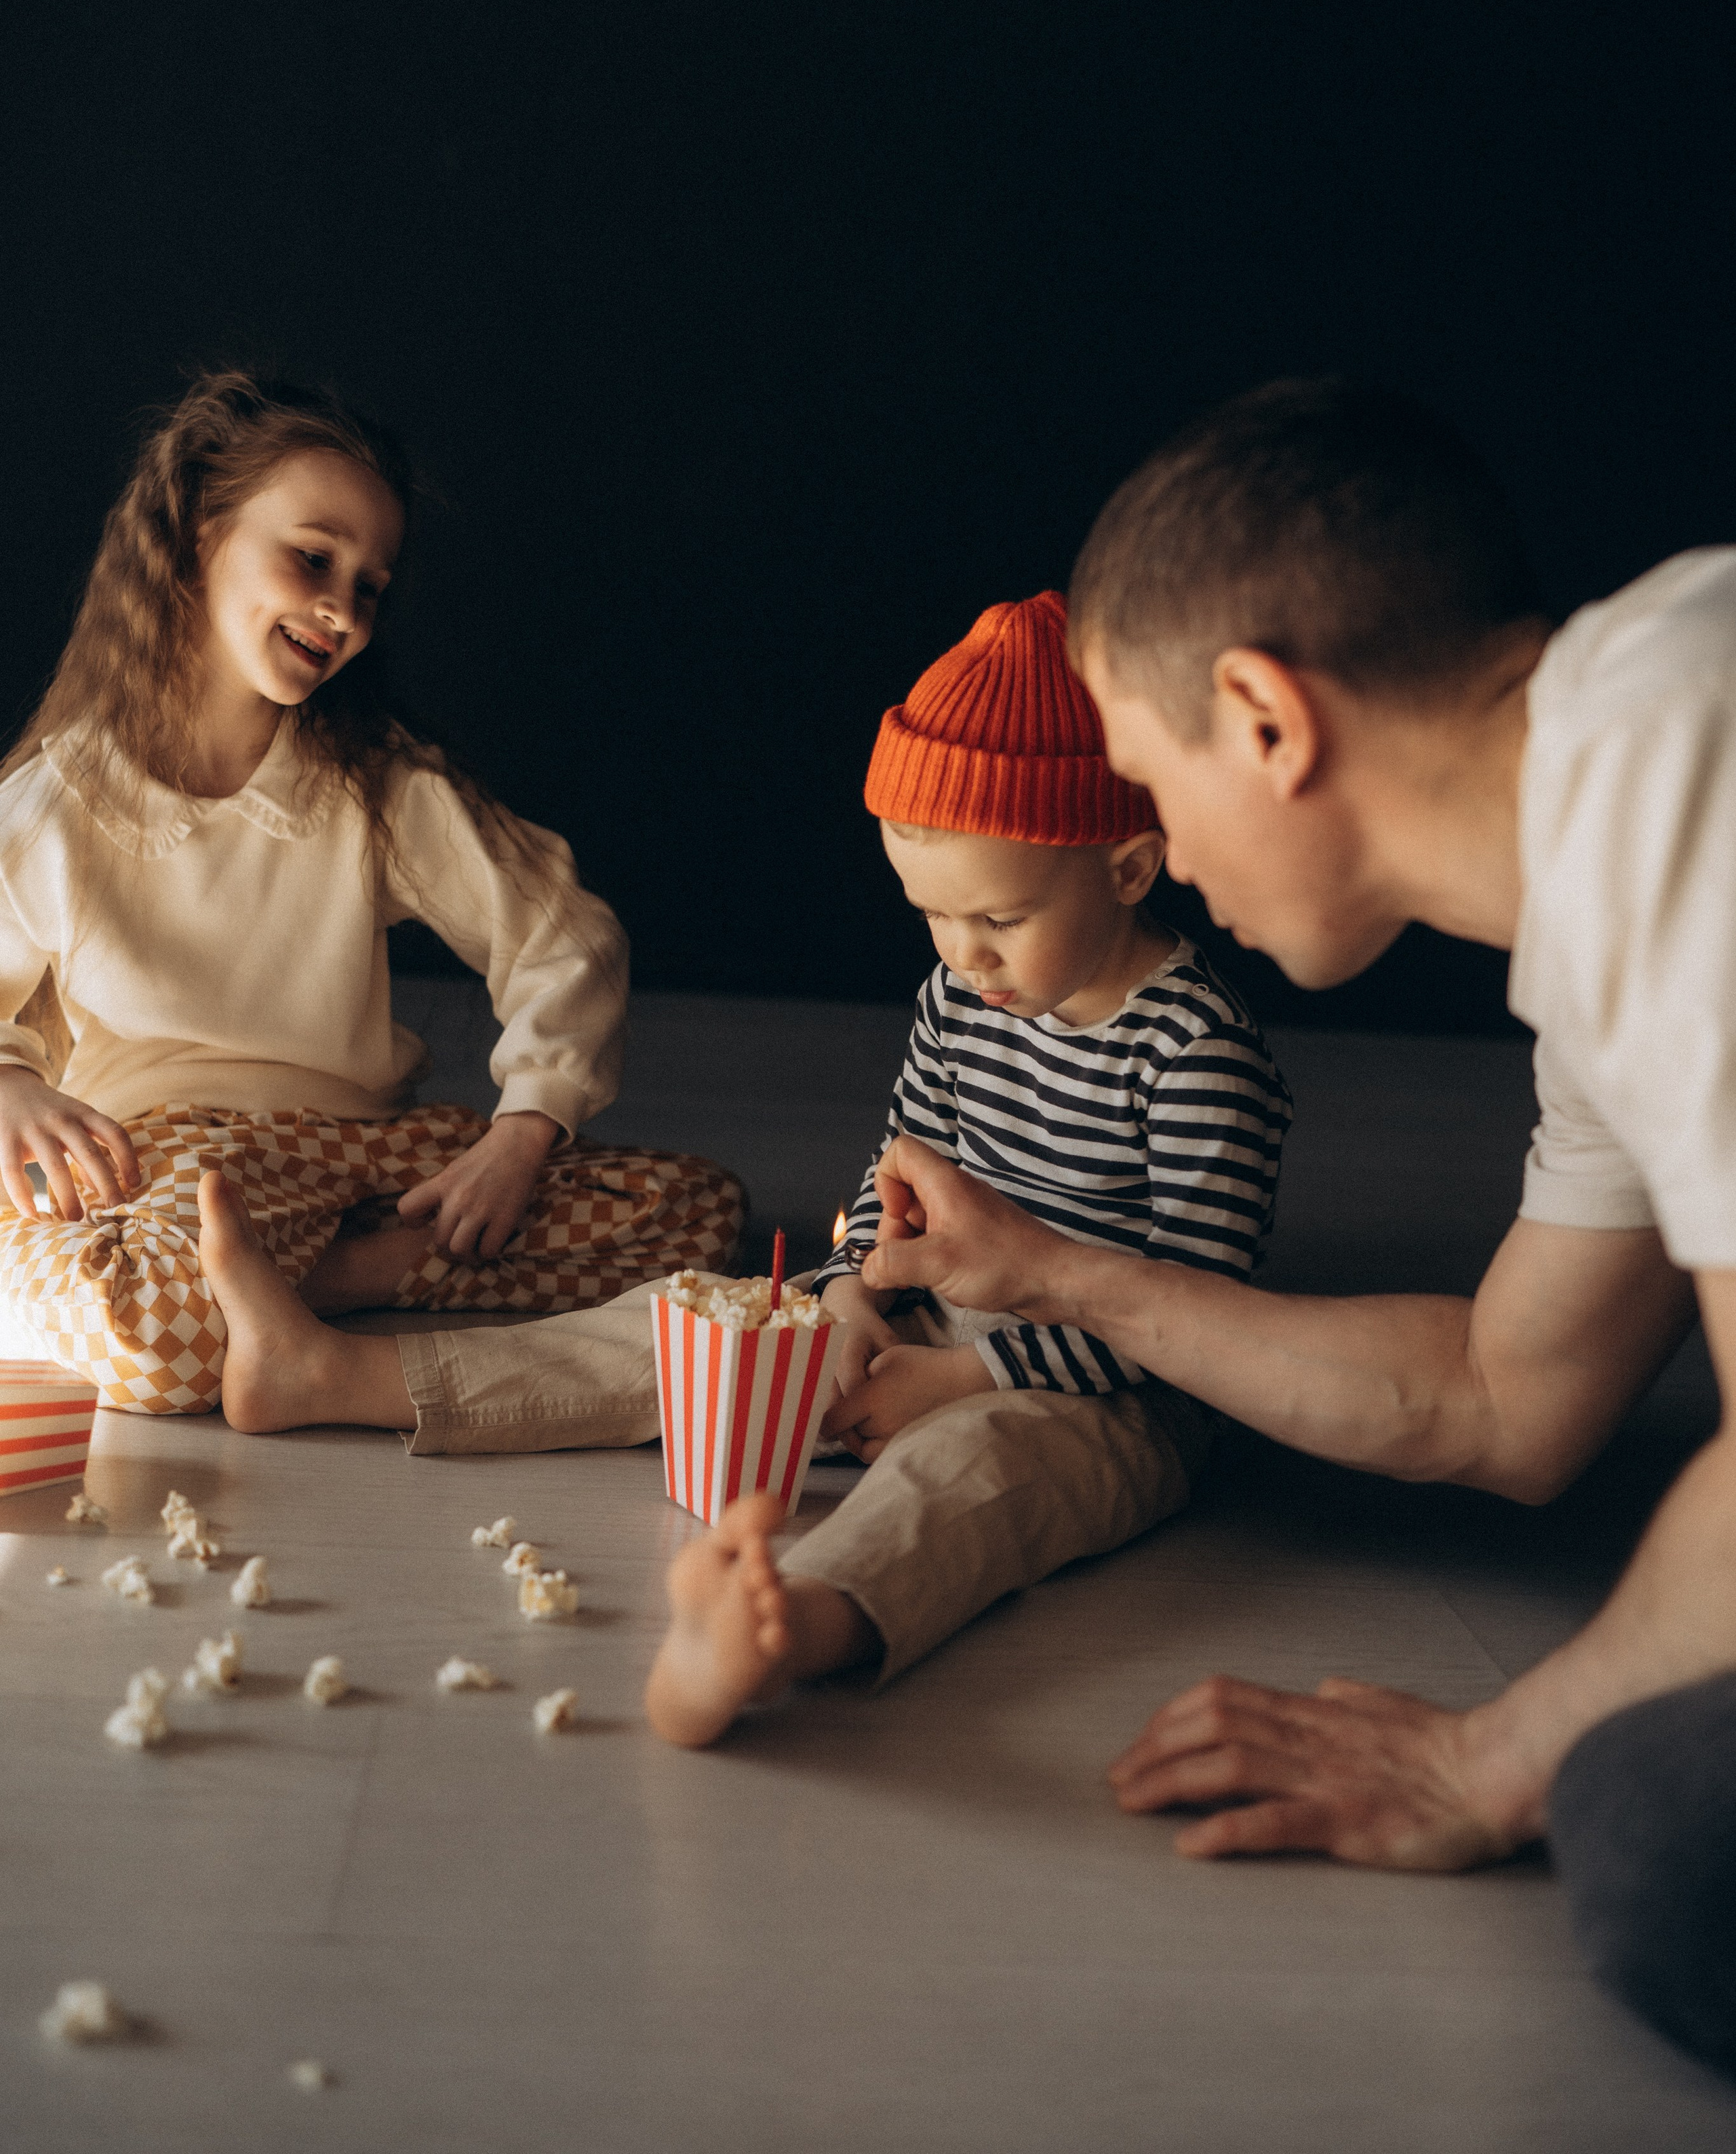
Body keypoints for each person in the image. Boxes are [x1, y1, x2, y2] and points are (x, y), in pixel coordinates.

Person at [854, 379, 1736, 2077]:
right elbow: (1503, 1402)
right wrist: (1057, 1277)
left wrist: (1491, 1754)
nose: (1157, 855)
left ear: (1260, 717)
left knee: (1641, 1827)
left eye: (1143, 784)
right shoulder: (1612, 848)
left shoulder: (1674, 779)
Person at [0, 370, 741, 1413]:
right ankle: (273, 1290)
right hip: (171, 1163)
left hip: (361, 1158)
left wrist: (521, 1133)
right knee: (143, 1330)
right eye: (312, 557)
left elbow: (563, 936)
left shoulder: (372, 781)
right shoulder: (62, 800)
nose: (340, 607)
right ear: (202, 533)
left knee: (693, 1213)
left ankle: (293, 1290)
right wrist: (13, 1084)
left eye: (369, 585)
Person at [642, 591, 1293, 1744]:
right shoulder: (962, 991)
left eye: (997, 916)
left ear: (1131, 867)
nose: (962, 954)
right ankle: (348, 1377)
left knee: (970, 1483)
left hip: (1105, 1386)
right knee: (708, 1321)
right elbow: (896, 1165)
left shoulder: (1197, 1056)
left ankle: (785, 1624)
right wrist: (850, 1292)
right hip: (938, 1313)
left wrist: (965, 1380)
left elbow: (1197, 1319)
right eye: (930, 914)